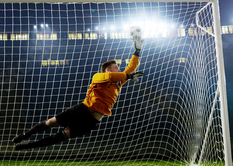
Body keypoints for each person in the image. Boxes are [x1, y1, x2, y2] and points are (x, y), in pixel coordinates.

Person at [13, 35, 145, 150]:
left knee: (62, 136)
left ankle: (27, 146)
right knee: (50, 123)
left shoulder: (118, 82)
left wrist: (137, 51)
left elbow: (131, 68)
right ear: (107, 70)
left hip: (92, 120)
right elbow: (114, 76)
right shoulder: (98, 77)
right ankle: (24, 136)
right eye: (116, 68)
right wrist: (127, 76)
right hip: (82, 110)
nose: (119, 70)